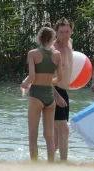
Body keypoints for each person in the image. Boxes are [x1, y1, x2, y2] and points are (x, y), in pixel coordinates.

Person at [21, 25, 64, 162]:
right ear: (53, 39)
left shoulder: (33, 53)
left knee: (33, 136)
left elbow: (32, 77)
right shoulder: (57, 55)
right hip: (50, 99)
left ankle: (35, 165)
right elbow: (59, 79)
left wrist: (24, 83)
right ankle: (50, 164)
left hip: (36, 96)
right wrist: (49, 80)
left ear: (39, 38)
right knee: (49, 135)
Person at [52, 19, 74, 161]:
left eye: (67, 31)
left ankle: (50, 161)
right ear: (56, 32)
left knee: (57, 134)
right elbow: (45, 76)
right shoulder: (54, 50)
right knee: (64, 129)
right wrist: (56, 96)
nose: (64, 35)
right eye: (61, 32)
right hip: (54, 91)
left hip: (64, 92)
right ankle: (64, 164)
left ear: (71, 31)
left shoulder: (70, 44)